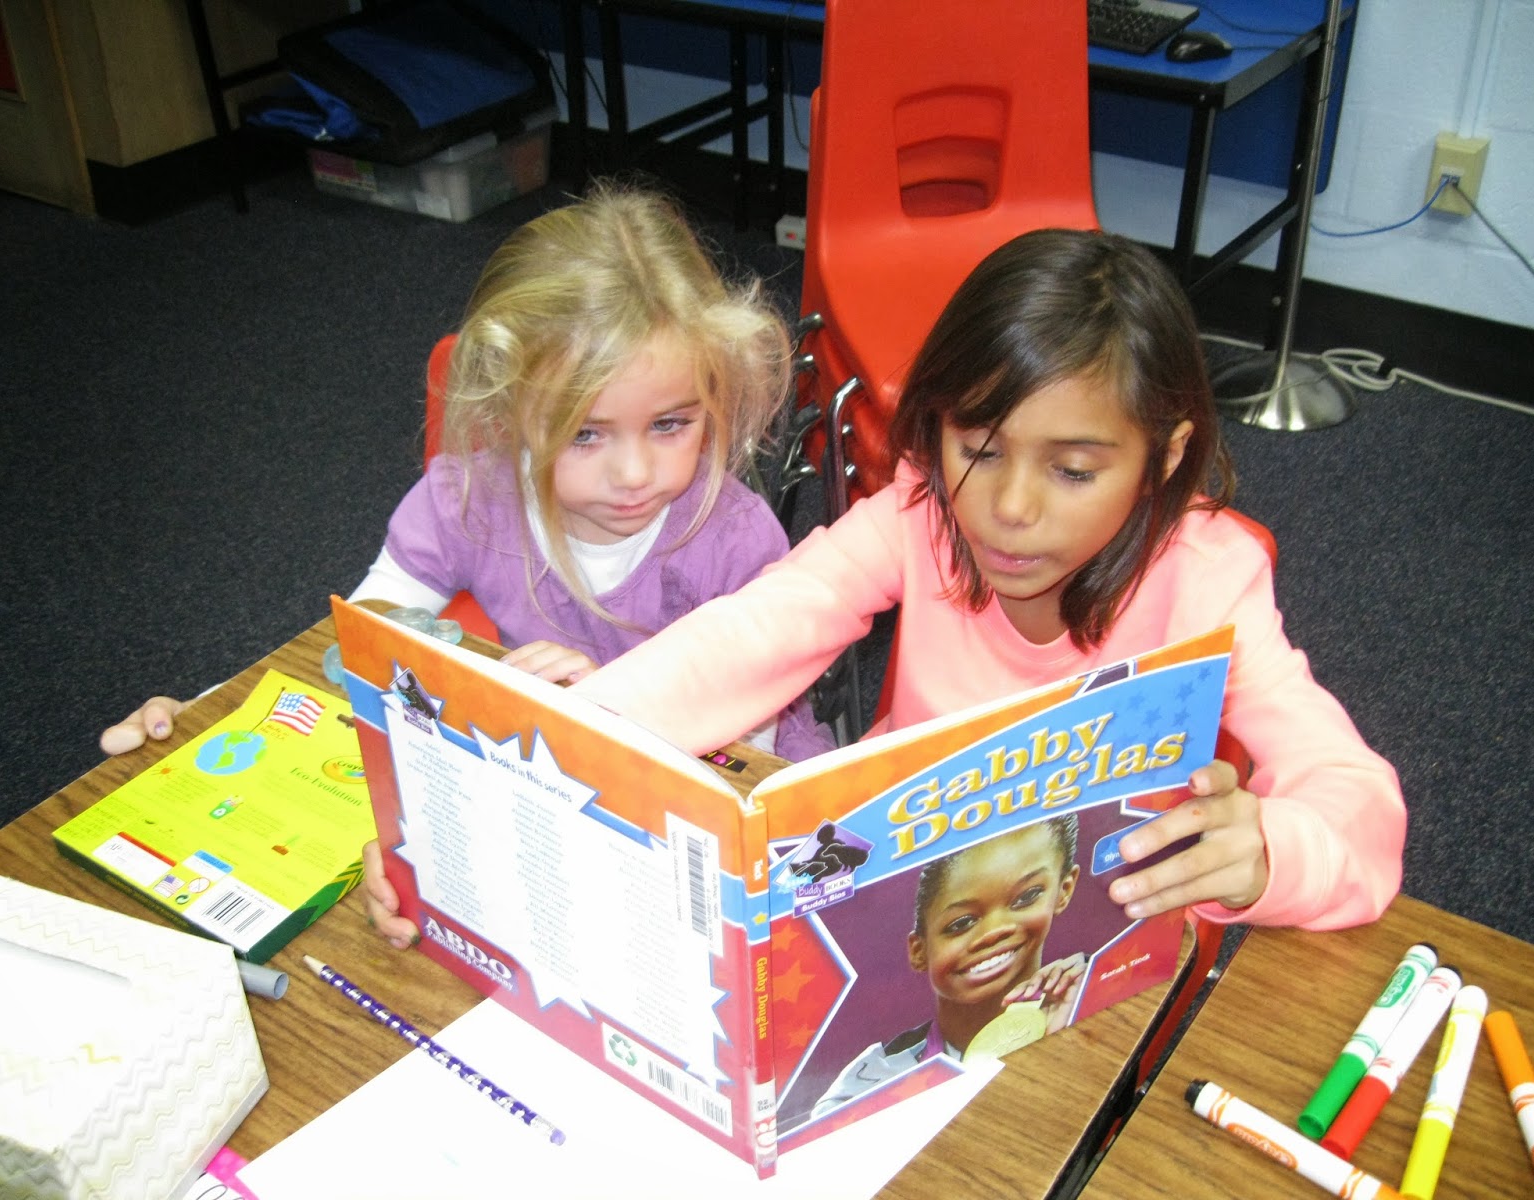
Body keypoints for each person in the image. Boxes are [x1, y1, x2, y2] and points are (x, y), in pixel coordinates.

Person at [562, 226, 1405, 935]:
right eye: (979, 449)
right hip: (908, 902)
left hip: (1084, 936)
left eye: (1073, 472)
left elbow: (1356, 804)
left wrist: (1269, 855)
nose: (1009, 509)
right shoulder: (920, 511)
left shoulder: (1208, 580)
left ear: (1165, 456)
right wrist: (573, 729)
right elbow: (760, 627)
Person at [99, 186, 836, 775]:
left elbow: (743, 762)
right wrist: (207, 715)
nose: (636, 473)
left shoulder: (734, 540)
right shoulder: (468, 500)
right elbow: (358, 643)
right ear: (509, 409)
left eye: (671, 423)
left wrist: (609, 709)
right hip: (536, 774)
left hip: (724, 780)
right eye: (583, 433)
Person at [810, 815, 1084, 1118]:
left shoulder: (1086, 996)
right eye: (961, 923)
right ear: (919, 951)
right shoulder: (868, 1082)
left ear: (1064, 889)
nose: (995, 931)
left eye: (1027, 897)